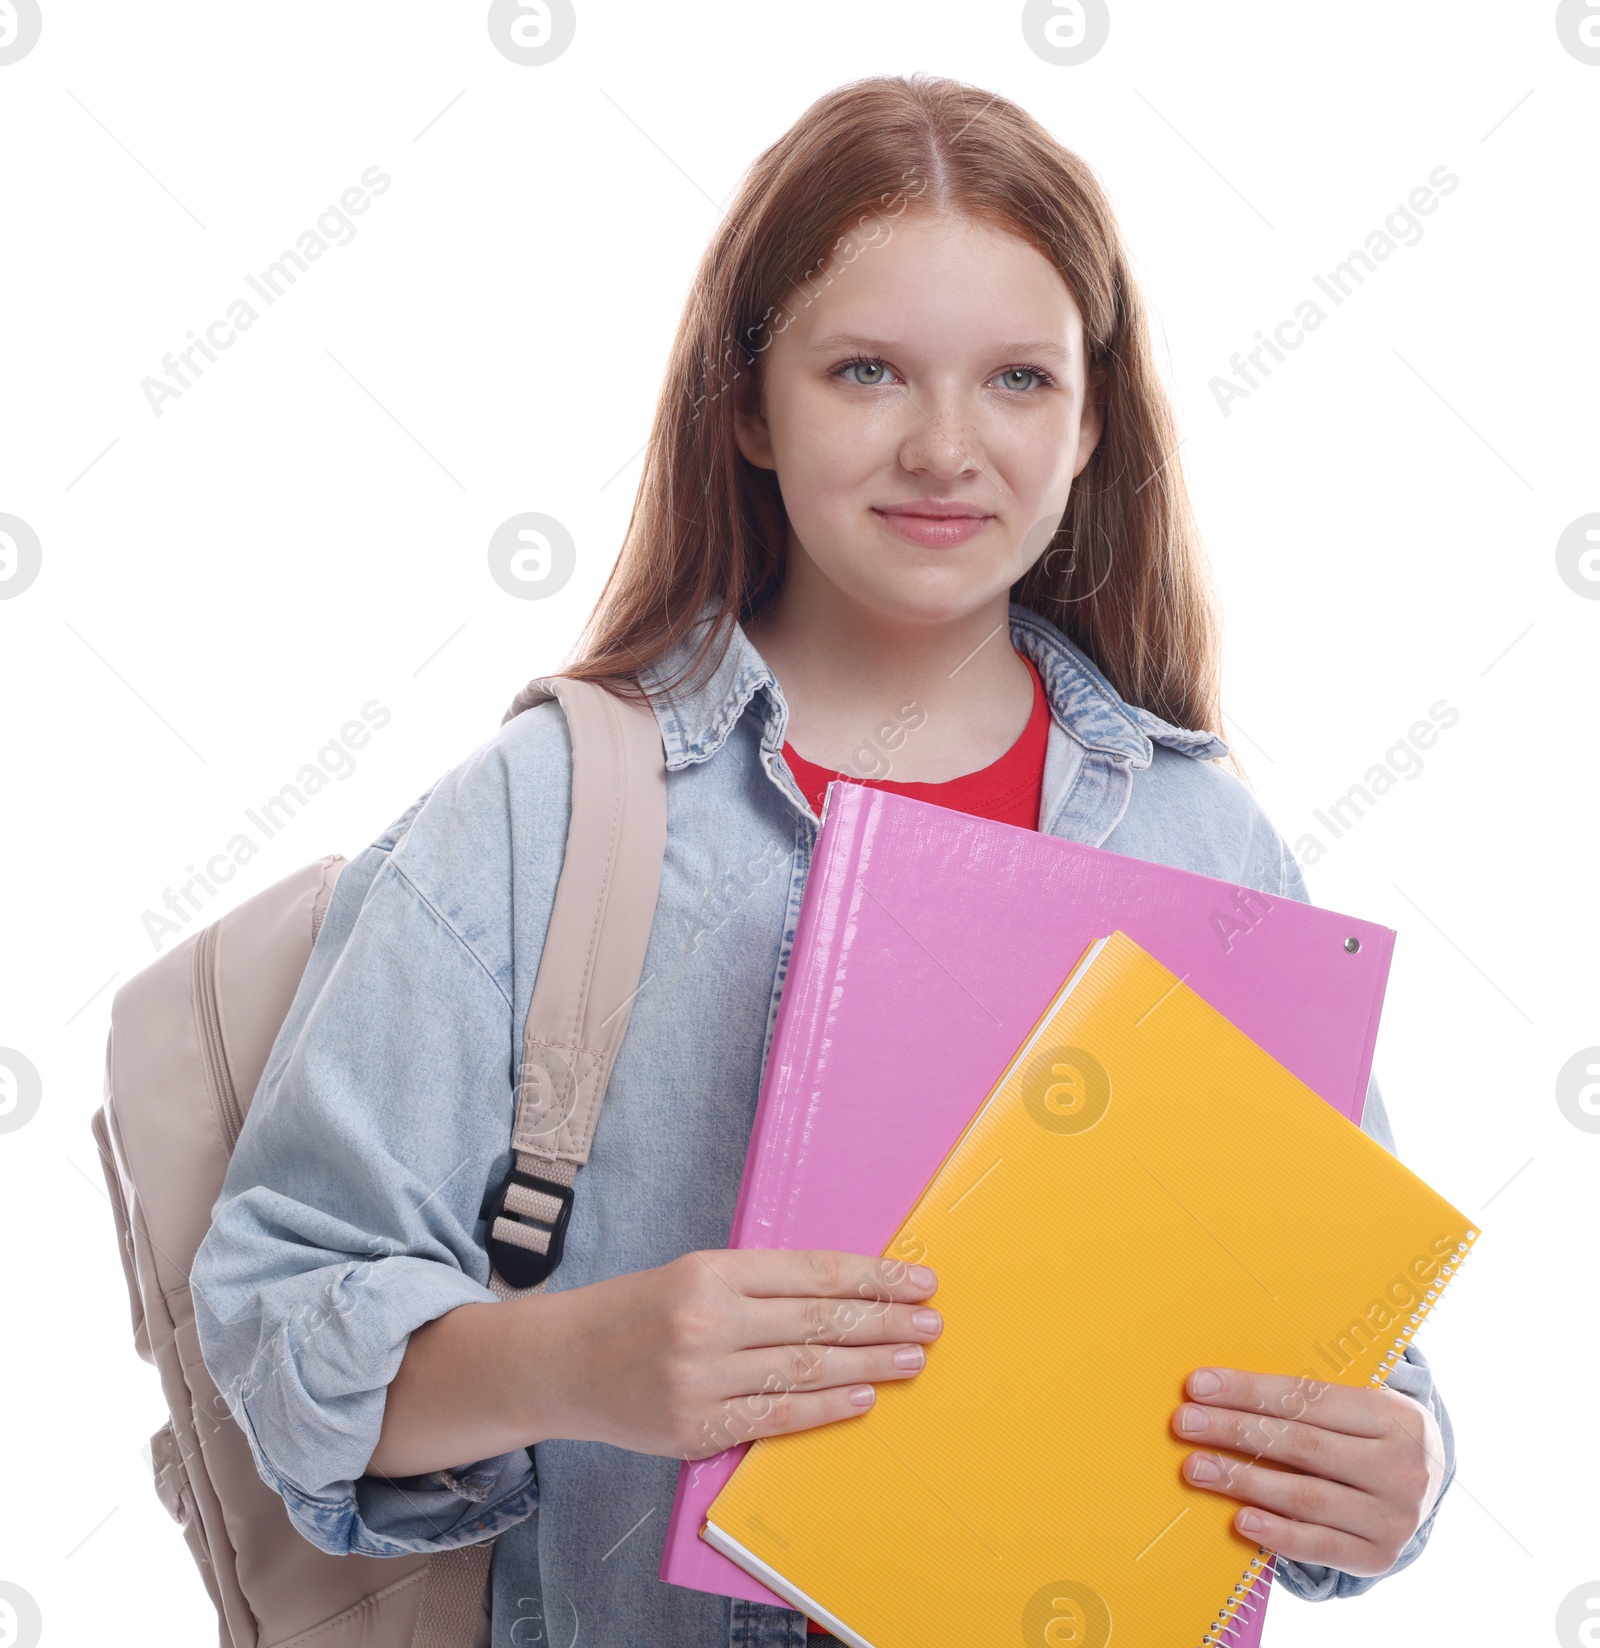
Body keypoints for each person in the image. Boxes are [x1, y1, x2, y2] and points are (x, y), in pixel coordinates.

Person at [192, 72, 1454, 1647]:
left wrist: (1395, 1471)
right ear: (747, 405)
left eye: (1017, 379)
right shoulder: (550, 812)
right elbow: (276, 1311)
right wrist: (585, 1362)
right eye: (866, 370)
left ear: (1091, 423)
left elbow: (1351, 1353)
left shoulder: (1210, 840)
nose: (946, 446)